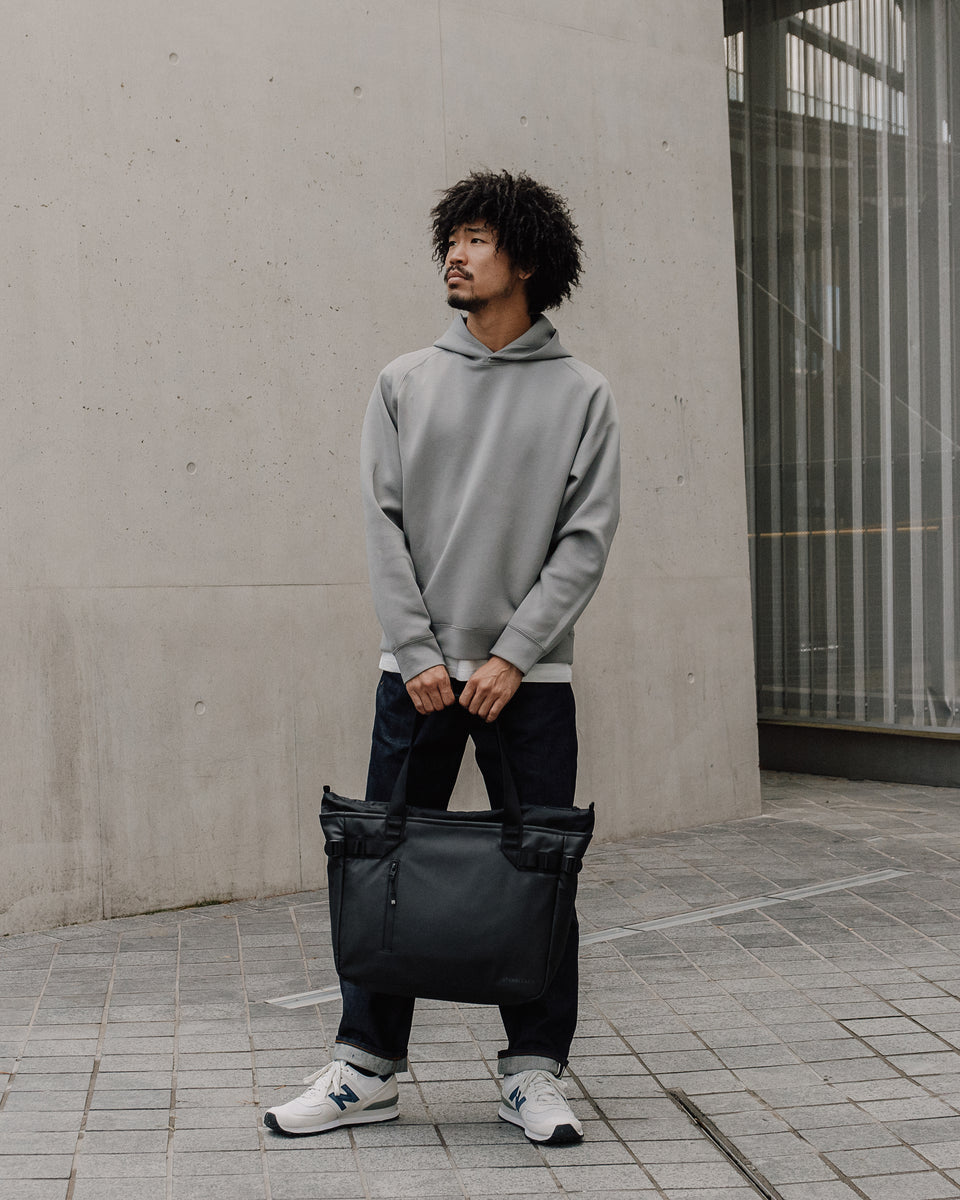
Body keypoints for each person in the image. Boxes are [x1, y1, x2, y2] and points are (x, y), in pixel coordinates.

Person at [265, 169, 620, 1145]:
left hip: (530, 679)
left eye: (476, 239)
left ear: (527, 260)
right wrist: (418, 650)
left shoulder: (583, 394)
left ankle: (536, 1071)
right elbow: (383, 527)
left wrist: (511, 654)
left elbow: (583, 541)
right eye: (450, 240)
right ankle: (367, 1066)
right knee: (381, 863)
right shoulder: (403, 382)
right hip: (413, 673)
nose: (455, 256)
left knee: (540, 872)